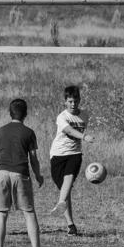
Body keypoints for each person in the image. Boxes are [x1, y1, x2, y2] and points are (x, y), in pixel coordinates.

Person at [0, 98, 44, 247]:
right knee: (29, 212)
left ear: (10, 112)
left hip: (1, 173)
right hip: (21, 173)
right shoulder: (29, 132)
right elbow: (33, 157)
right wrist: (38, 175)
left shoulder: (0, 131)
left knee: (1, 214)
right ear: (25, 114)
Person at [49, 85, 95, 236]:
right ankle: (71, 225)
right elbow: (68, 130)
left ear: (79, 100)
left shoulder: (85, 115)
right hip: (58, 155)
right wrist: (83, 137)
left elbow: (78, 130)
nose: (73, 104)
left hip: (75, 153)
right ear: (65, 102)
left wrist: (82, 138)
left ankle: (61, 203)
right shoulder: (62, 117)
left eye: (75, 101)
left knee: (69, 179)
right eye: (70, 101)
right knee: (65, 190)